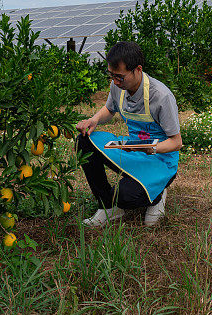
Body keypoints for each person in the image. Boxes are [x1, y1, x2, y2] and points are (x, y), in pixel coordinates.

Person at [75, 41, 182, 227]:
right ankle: (107, 207)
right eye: (112, 75)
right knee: (84, 140)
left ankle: (157, 194)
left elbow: (176, 143)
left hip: (161, 160)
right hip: (133, 150)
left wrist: (147, 148)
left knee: (124, 197)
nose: (115, 81)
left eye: (120, 77)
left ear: (138, 69)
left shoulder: (161, 96)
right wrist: (93, 120)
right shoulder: (118, 87)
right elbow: (109, 109)